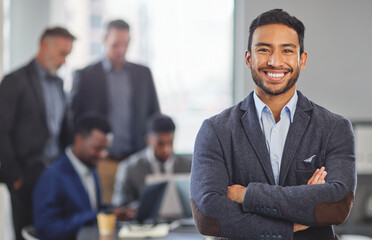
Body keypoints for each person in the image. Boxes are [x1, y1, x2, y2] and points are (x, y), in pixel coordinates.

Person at [190, 9, 356, 240]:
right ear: (249, 58)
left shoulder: (334, 128)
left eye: (287, 50)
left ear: (302, 59)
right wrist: (295, 218)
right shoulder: (216, 131)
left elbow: (336, 205)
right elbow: (208, 215)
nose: (274, 61)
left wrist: (247, 195)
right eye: (264, 49)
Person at [71, 19, 160, 204]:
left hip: (135, 161)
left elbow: (154, 115)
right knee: (104, 216)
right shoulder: (86, 75)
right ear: (104, 39)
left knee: (138, 215)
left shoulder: (143, 74)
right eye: (115, 45)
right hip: (102, 161)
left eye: (125, 44)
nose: (121, 50)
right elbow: (74, 120)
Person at [0, 27, 75, 240]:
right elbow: (1, 131)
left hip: (55, 174)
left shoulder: (59, 84)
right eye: (62, 53)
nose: (64, 61)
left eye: (67, 55)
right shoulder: (15, 81)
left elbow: (63, 132)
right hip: (26, 176)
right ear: (44, 46)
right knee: (27, 234)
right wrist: (14, 176)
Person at [33, 114, 135, 240]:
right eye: (97, 148)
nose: (103, 155)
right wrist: (97, 215)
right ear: (79, 140)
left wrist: (113, 211)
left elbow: (90, 208)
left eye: (106, 149)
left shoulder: (90, 167)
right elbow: (48, 230)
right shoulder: (53, 176)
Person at [112, 114, 191, 207]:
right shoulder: (129, 168)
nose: (166, 150)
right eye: (160, 144)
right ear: (148, 140)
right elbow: (121, 205)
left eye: (170, 143)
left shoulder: (188, 166)